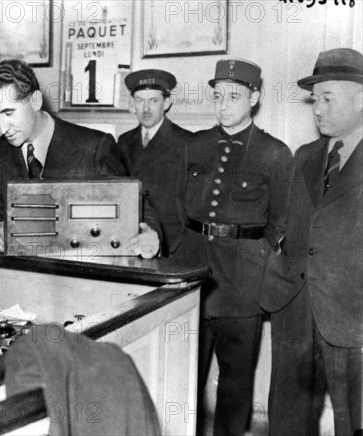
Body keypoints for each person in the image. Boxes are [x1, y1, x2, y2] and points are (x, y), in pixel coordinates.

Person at [173, 59, 293, 435]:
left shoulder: (274, 153)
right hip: (192, 273)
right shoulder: (195, 145)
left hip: (242, 281)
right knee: (183, 371)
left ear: (254, 98)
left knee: (235, 382)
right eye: (218, 96)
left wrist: (259, 256)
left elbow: (281, 218)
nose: (223, 105)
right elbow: (178, 205)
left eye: (234, 96)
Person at [261, 48, 363, 436]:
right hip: (294, 310)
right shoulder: (305, 155)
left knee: (352, 423)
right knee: (286, 421)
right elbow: (288, 224)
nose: (316, 109)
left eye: (327, 98)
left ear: (360, 98)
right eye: (314, 99)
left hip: (353, 319)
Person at [0, 59, 158, 257]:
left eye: (8, 112)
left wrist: (150, 233)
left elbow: (136, 207)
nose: (2, 128)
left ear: (36, 101)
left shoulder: (94, 145)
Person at [117, 69, 193, 256]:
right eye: (139, 100)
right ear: (133, 103)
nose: (146, 109)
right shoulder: (124, 141)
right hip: (132, 238)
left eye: (154, 101)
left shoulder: (186, 142)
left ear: (167, 102)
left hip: (171, 244)